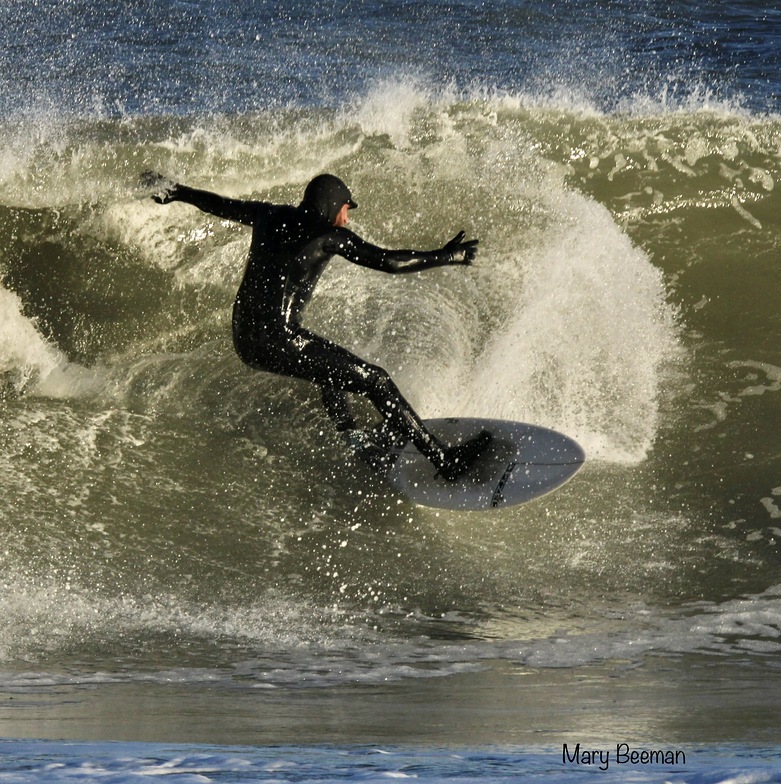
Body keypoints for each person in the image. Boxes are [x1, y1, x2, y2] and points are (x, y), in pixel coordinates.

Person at [141, 171, 491, 481]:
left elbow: (216, 203)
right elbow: (389, 261)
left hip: (245, 339)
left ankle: (355, 439)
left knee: (326, 366)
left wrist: (174, 191)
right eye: (346, 209)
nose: (346, 218)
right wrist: (447, 256)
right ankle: (445, 460)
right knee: (376, 380)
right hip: (280, 339)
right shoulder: (328, 236)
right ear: (332, 204)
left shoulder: (268, 215)